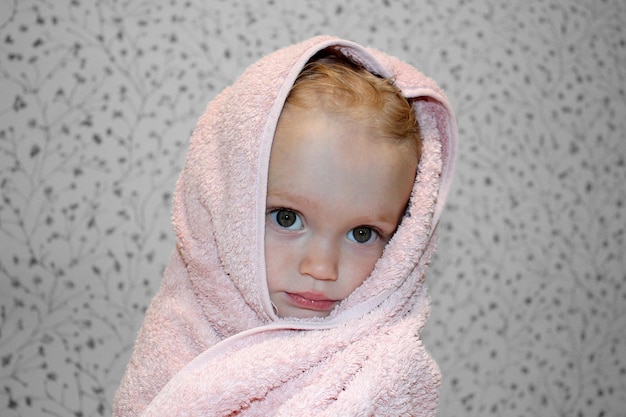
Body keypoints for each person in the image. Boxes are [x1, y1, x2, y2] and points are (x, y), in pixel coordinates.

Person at [113, 36, 457, 416]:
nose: (322, 268)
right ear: (228, 208)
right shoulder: (178, 333)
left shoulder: (388, 372)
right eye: (287, 218)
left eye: (363, 233)